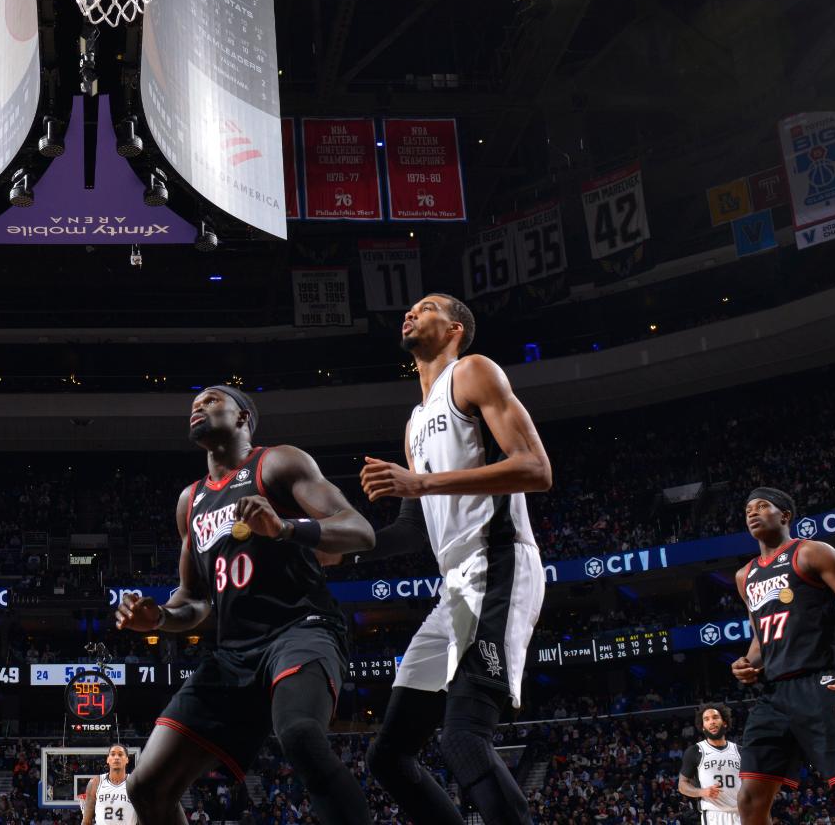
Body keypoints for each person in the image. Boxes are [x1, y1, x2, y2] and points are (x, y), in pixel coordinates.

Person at [116, 386, 376, 825]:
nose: (198, 405)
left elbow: (360, 530)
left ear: (242, 418)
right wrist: (158, 616)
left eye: (212, 400)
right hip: (235, 653)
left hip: (301, 628)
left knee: (299, 734)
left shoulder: (277, 462)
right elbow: (195, 599)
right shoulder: (190, 501)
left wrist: (285, 528)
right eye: (193, 402)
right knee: (145, 787)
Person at [357, 293, 551, 825]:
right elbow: (410, 528)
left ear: (456, 328)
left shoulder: (472, 373)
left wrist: (420, 481)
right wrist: (339, 548)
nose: (410, 312)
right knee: (388, 756)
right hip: (454, 588)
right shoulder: (416, 420)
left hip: (499, 565)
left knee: (464, 737)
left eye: (425, 307)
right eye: (409, 308)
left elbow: (535, 468)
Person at [733, 487, 835, 824]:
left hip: (821, 684)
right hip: (773, 695)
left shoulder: (811, 552)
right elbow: (760, 638)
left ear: (785, 515)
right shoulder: (744, 576)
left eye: (762, 506)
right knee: (750, 800)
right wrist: (748, 662)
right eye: (748, 508)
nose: (753, 512)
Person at [679, 704, 742, 825]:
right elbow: (682, 785)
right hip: (714, 815)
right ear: (703, 727)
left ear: (725, 722)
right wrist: (702, 792)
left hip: (741, 813)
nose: (711, 722)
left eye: (715, 717)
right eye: (706, 719)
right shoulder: (695, 751)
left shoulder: (740, 751)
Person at [80, 745, 135, 825]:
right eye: (112, 754)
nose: (116, 757)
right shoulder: (95, 783)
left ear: (127, 759)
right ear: (108, 759)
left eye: (120, 754)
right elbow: (86, 821)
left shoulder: (134, 783)